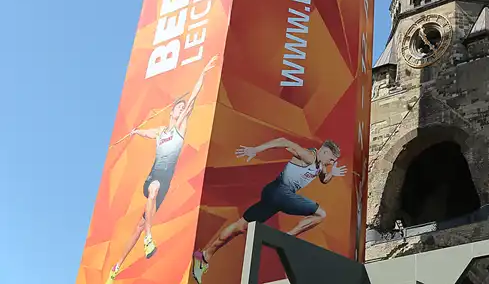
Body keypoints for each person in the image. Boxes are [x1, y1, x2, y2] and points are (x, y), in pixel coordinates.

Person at [106, 55, 218, 283]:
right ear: (172, 111)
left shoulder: (180, 127)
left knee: (139, 224)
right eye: (179, 107)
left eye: (183, 108)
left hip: (167, 179)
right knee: (153, 190)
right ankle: (149, 238)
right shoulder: (160, 131)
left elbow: (194, 97)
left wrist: (203, 74)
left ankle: (115, 268)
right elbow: (148, 133)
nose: (182, 109)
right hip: (155, 175)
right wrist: (136, 131)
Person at [191, 139, 345, 283]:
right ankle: (287, 238)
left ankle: (204, 255)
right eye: (331, 160)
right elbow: (283, 141)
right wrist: (256, 150)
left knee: (240, 226)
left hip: (273, 195)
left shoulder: (321, 166)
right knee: (320, 214)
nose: (331, 163)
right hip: (281, 191)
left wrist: (333, 173)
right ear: (324, 152)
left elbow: (324, 179)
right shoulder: (308, 156)